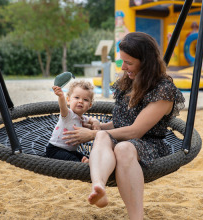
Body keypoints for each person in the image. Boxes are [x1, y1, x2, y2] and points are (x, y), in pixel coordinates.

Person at [62, 32, 185, 219]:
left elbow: (136, 130)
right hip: (122, 139)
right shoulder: (127, 82)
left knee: (124, 148)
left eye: (129, 62)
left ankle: (136, 217)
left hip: (149, 144)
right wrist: (99, 127)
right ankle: (99, 187)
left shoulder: (163, 90)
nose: (123, 66)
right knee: (103, 136)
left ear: (146, 61)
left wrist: (91, 135)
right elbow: (121, 123)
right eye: (122, 61)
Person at [46, 80, 100, 163]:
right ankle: (82, 167)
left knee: (84, 157)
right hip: (55, 149)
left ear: (89, 105)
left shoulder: (82, 118)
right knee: (74, 161)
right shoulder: (68, 115)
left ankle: (85, 162)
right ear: (68, 100)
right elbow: (62, 107)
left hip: (70, 151)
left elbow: (90, 119)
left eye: (85, 99)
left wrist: (95, 121)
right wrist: (61, 96)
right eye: (77, 97)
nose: (80, 101)